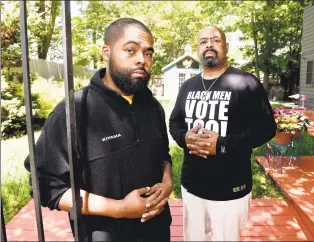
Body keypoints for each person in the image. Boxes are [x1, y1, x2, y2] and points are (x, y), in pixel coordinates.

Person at [25, 18, 172, 242]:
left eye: (148, 53)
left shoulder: (153, 107)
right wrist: (120, 208)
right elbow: (45, 186)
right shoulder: (74, 111)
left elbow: (163, 156)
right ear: (107, 51)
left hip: (158, 232)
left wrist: (167, 182)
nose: (142, 60)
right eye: (130, 50)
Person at [169, 26, 277, 241]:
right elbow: (175, 122)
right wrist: (184, 138)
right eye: (203, 41)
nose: (208, 44)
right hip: (192, 185)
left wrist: (223, 145)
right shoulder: (188, 86)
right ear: (198, 49)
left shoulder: (246, 83)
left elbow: (267, 128)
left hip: (231, 187)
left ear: (226, 47)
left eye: (215, 40)